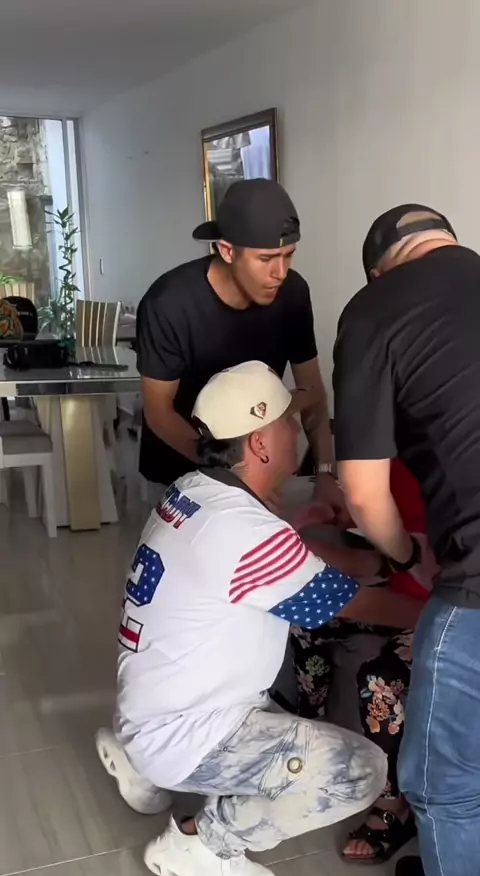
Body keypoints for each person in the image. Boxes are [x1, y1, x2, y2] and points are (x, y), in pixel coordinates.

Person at [96, 361, 387, 876]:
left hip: (151, 708)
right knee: (360, 771)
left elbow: (287, 560)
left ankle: (141, 762)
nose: (296, 430)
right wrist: (443, 605)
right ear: (259, 443)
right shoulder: (245, 530)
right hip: (188, 731)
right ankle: (203, 845)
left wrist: (377, 559)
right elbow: (347, 604)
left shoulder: (193, 490)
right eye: (287, 422)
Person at [333, 203, 480, 876]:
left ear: (377, 273)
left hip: (474, 578)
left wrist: (402, 555)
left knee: (442, 783)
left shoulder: (374, 312)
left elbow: (364, 492)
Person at [136, 177, 344, 516]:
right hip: (180, 471)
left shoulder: (293, 293)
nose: (280, 272)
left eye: (288, 255)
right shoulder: (169, 303)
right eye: (266, 259)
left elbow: (313, 392)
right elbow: (159, 412)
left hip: (257, 475)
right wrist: (232, 479)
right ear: (227, 250)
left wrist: (325, 473)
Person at [291, 460, 433, 865]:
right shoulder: (398, 458)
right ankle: (311, 734)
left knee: (381, 680)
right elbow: (376, 522)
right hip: (396, 590)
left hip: (445, 610)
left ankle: (392, 805)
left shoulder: (459, 467)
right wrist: (340, 517)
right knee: (307, 619)